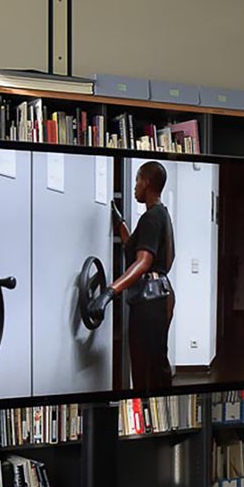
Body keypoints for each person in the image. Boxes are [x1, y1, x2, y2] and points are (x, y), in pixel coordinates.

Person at [87, 161, 175, 388]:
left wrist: (108, 293)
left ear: (146, 182)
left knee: (147, 368)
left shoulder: (152, 217)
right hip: (159, 296)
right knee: (153, 362)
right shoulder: (160, 214)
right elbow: (133, 246)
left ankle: (149, 414)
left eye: (137, 180)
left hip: (151, 301)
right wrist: (120, 222)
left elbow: (143, 262)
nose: (135, 186)